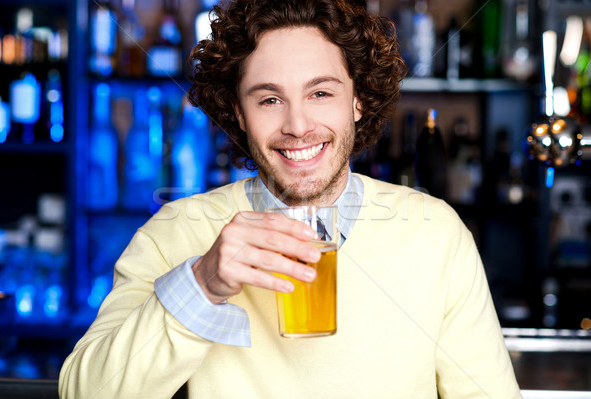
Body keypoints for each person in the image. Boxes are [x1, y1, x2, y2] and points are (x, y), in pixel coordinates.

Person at [59, 0, 522, 398]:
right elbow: (83, 391)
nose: (298, 126)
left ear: (357, 101)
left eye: (320, 92)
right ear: (238, 113)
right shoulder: (176, 233)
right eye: (269, 100)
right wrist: (202, 285)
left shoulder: (436, 234)